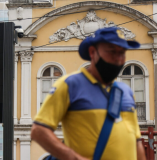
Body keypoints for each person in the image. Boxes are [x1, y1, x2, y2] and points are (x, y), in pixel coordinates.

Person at [31, 28, 146, 160]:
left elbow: (136, 141)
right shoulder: (70, 84)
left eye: (122, 53)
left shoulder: (126, 91)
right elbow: (38, 131)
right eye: (112, 51)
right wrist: (73, 157)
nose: (118, 59)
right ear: (92, 52)